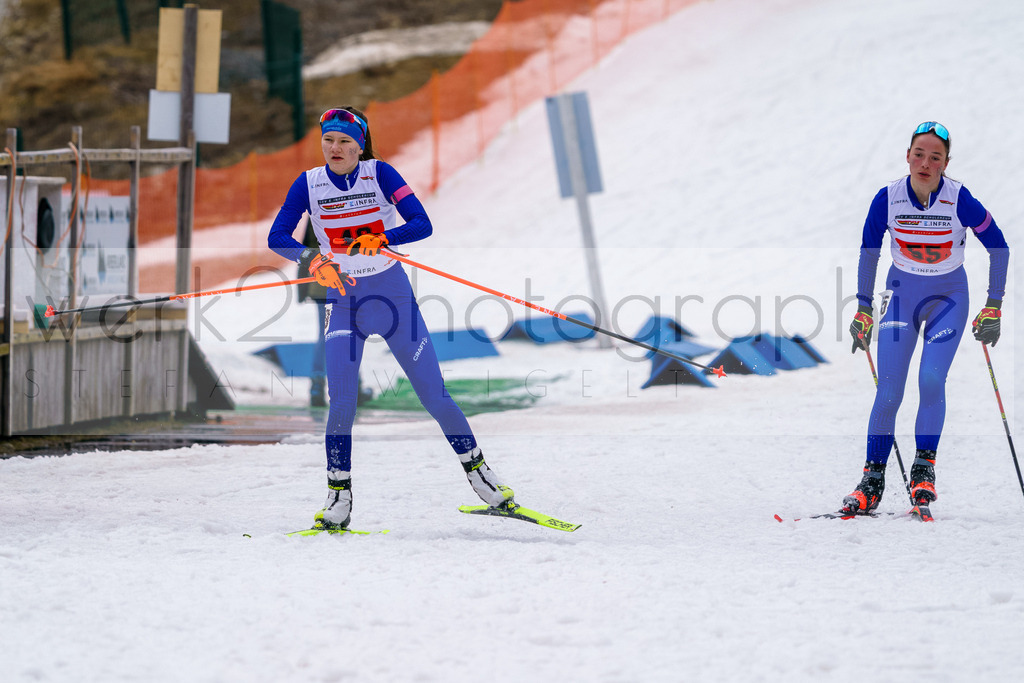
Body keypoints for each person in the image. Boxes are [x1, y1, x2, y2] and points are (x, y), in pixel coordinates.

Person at [268, 106, 514, 530]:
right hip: (342, 300)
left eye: (345, 141)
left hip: (392, 299)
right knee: (341, 401)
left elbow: (422, 224)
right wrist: (312, 259)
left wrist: (381, 237)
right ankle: (338, 500)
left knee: (434, 396)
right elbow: (278, 237)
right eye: (328, 140)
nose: (335, 148)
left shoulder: (380, 175)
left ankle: (484, 480)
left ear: (360, 144)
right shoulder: (307, 184)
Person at [843, 121, 1009, 514]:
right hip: (901, 296)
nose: (925, 162)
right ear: (907, 155)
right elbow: (869, 253)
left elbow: (998, 248)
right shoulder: (887, 198)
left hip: (948, 299)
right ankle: (872, 481)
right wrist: (864, 307)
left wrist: (993, 305)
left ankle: (923, 471)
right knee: (889, 390)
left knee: (931, 378)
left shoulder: (959, 199)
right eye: (919, 153)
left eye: (935, 156)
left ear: (945, 163)